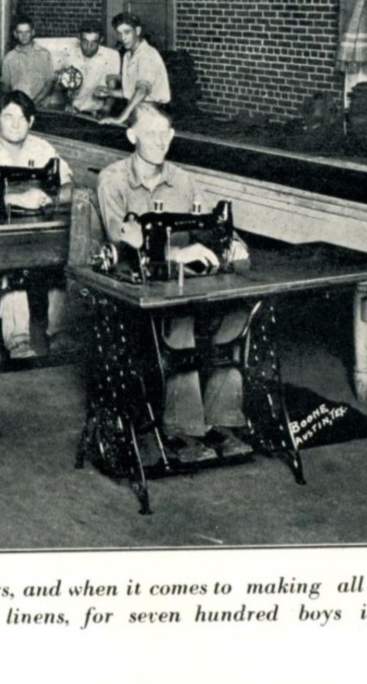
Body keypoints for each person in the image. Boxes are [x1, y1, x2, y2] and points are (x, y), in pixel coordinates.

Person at [95, 103, 251, 463]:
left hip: (183, 285)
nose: (161, 141)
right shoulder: (113, 180)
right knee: (178, 319)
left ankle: (222, 421)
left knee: (236, 312)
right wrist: (174, 255)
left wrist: (232, 242)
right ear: (131, 136)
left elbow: (211, 223)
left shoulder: (183, 180)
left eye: (166, 133)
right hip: (134, 290)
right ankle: (183, 429)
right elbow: (123, 244)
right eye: (151, 134)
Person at [0, 90, 73, 360]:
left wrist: (52, 197)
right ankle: (18, 340)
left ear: (31, 122)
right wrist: (15, 198)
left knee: (62, 265)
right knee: (9, 267)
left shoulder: (43, 150)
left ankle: (59, 334)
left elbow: (69, 185)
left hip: (33, 230)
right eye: (8, 116)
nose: (15, 124)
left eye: (23, 118)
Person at [99, 12, 171, 126]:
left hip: (153, 112)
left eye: (127, 32)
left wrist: (120, 118)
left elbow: (142, 91)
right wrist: (109, 92)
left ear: (137, 31)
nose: (122, 38)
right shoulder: (128, 54)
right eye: (119, 33)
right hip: (137, 109)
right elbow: (130, 92)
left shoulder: (147, 55)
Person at [66, 20, 122, 116]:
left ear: (101, 40)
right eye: (85, 41)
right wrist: (69, 104)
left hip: (98, 113)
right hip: (74, 112)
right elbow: (67, 85)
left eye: (93, 42)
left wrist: (106, 109)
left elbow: (112, 87)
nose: (88, 46)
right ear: (79, 38)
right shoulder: (70, 54)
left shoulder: (112, 56)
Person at [0, 16, 56, 108]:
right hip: (19, 108)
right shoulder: (9, 57)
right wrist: (15, 103)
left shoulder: (44, 54)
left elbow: (49, 82)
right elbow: (5, 85)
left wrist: (34, 102)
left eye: (27, 32)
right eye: (20, 33)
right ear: (15, 34)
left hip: (40, 107)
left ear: (33, 32)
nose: (24, 36)